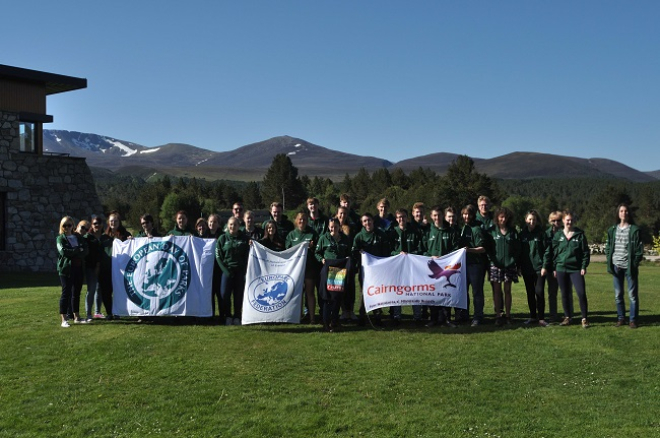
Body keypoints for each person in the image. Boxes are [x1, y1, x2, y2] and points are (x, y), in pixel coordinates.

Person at [605, 203, 643, 329]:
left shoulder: (634, 230)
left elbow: (639, 249)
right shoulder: (612, 230)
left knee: (632, 295)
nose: (624, 213)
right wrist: (609, 259)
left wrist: (634, 263)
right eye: (621, 211)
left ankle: (633, 320)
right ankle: (621, 318)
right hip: (616, 266)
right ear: (618, 213)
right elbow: (608, 247)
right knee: (618, 294)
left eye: (626, 211)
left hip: (629, 267)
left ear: (629, 214)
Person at [550, 210, 590, 328]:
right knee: (565, 294)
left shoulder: (580, 235)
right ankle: (567, 317)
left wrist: (583, 266)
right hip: (561, 268)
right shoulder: (558, 236)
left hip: (576, 269)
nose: (570, 222)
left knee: (581, 293)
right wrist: (554, 268)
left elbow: (585, 252)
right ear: (563, 221)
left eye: (571, 220)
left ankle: (584, 318)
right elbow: (554, 253)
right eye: (567, 220)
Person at [352, 213, 391, 326]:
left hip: (378, 270)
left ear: (373, 221)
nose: (367, 223)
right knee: (365, 292)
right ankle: (363, 315)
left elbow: (386, 252)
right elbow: (354, 252)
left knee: (377, 291)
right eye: (364, 221)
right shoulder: (359, 236)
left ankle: (377, 315)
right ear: (362, 223)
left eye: (369, 220)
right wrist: (359, 254)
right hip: (364, 269)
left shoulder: (381, 235)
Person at [315, 218, 353, 331]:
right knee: (327, 297)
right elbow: (317, 253)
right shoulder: (323, 238)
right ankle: (326, 321)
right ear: (328, 226)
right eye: (331, 226)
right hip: (327, 269)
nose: (333, 229)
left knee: (337, 296)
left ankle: (334, 321)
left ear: (339, 226)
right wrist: (321, 259)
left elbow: (349, 252)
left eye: (335, 227)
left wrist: (348, 259)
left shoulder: (345, 239)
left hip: (339, 271)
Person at [486, 206, 521, 326]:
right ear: (497, 217)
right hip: (495, 265)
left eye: (505, 217)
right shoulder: (491, 231)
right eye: (501, 217)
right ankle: (498, 316)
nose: (503, 219)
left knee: (507, 290)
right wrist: (493, 261)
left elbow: (517, 249)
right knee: (496, 291)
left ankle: (508, 315)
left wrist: (513, 260)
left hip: (509, 265)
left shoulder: (513, 231)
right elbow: (488, 249)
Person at [425, 205, 458, 328]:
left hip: (446, 268)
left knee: (446, 292)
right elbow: (423, 249)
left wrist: (446, 259)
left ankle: (447, 319)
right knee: (433, 294)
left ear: (442, 216)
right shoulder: (428, 231)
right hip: (432, 268)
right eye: (434, 215)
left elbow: (456, 249)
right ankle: (433, 318)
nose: (437, 217)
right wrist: (430, 256)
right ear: (431, 216)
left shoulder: (451, 231)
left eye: (438, 215)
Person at [390, 208, 424, 324]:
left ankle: (417, 317)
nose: (401, 219)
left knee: (415, 290)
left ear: (407, 218)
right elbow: (389, 250)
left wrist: (410, 255)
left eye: (403, 217)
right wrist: (397, 254)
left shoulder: (414, 231)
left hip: (412, 266)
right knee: (398, 291)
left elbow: (420, 249)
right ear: (396, 219)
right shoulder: (393, 232)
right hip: (397, 267)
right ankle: (397, 316)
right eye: (399, 217)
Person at [215, 217, 250, 325]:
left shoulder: (244, 238)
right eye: (230, 224)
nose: (232, 227)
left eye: (235, 225)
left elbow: (247, 256)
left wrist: (243, 269)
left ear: (239, 226)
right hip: (226, 272)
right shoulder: (222, 238)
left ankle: (237, 316)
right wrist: (225, 271)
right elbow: (218, 257)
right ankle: (228, 315)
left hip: (239, 272)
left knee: (238, 295)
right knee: (224, 294)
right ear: (227, 225)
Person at [286, 212, 320, 323]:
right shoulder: (291, 235)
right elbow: (287, 251)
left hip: (310, 267)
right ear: (296, 220)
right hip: (295, 268)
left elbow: (318, 249)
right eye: (300, 219)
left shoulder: (312, 233)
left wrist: (312, 246)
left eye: (304, 219)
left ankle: (312, 318)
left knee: (310, 292)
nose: (302, 221)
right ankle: (298, 317)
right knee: (298, 293)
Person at [98, 211, 132, 320]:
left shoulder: (125, 235)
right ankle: (109, 313)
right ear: (108, 222)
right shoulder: (103, 237)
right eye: (111, 220)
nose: (113, 222)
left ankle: (119, 311)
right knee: (106, 292)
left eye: (115, 220)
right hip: (106, 269)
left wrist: (132, 241)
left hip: (120, 270)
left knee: (120, 291)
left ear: (119, 222)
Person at [56, 216, 89, 327]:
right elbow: (64, 252)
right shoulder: (60, 238)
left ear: (73, 225)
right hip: (66, 269)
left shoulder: (78, 237)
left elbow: (85, 250)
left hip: (78, 268)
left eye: (69, 225)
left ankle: (77, 317)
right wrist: (77, 250)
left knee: (76, 293)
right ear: (62, 226)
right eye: (64, 225)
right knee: (66, 293)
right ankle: (64, 319)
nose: (67, 227)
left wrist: (77, 251)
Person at [519, 210, 549, 327]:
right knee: (530, 293)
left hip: (539, 268)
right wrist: (519, 267)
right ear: (526, 220)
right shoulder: (522, 234)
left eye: (534, 219)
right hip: (527, 268)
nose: (532, 221)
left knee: (539, 292)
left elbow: (547, 251)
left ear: (537, 221)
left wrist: (545, 266)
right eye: (530, 219)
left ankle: (541, 318)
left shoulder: (541, 233)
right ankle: (532, 317)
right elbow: (520, 253)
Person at [459, 205, 487, 327]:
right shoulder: (464, 228)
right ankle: (465, 315)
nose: (466, 216)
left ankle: (478, 316)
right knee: (464, 292)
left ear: (472, 215)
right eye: (464, 214)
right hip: (464, 265)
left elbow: (482, 248)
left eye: (468, 214)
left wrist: (469, 250)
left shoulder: (477, 229)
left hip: (476, 265)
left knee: (477, 292)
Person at [336, 206, 358, 322]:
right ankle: (343, 311)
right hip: (337, 262)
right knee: (339, 287)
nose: (342, 216)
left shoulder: (351, 227)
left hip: (349, 261)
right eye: (340, 213)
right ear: (337, 214)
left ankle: (351, 311)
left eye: (344, 213)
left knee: (350, 287)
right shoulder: (333, 226)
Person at [544, 211, 566, 322]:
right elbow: (546, 252)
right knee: (552, 292)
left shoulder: (565, 232)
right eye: (554, 220)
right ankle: (553, 315)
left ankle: (567, 315)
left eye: (558, 220)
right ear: (550, 221)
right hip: (550, 267)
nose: (556, 222)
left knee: (565, 292)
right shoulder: (546, 234)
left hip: (563, 266)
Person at [77, 219, 100, 322]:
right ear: (78, 226)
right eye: (82, 227)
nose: (84, 230)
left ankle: (88, 314)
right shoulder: (73, 237)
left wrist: (97, 266)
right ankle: (71, 314)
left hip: (90, 267)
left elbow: (96, 254)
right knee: (74, 292)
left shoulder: (91, 239)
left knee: (92, 289)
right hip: (78, 267)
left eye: (86, 228)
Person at [88, 216, 106, 318]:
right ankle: (88, 313)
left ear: (102, 225)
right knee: (91, 289)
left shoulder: (105, 237)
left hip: (102, 267)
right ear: (92, 225)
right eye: (95, 223)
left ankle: (97, 312)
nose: (97, 225)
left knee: (99, 289)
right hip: (91, 267)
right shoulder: (89, 237)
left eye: (99, 223)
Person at [207, 214, 223, 319]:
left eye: (215, 222)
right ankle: (211, 315)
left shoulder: (222, 236)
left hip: (219, 268)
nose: (212, 224)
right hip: (208, 269)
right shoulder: (204, 236)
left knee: (220, 293)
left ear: (218, 224)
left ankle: (222, 315)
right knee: (210, 294)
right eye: (210, 222)